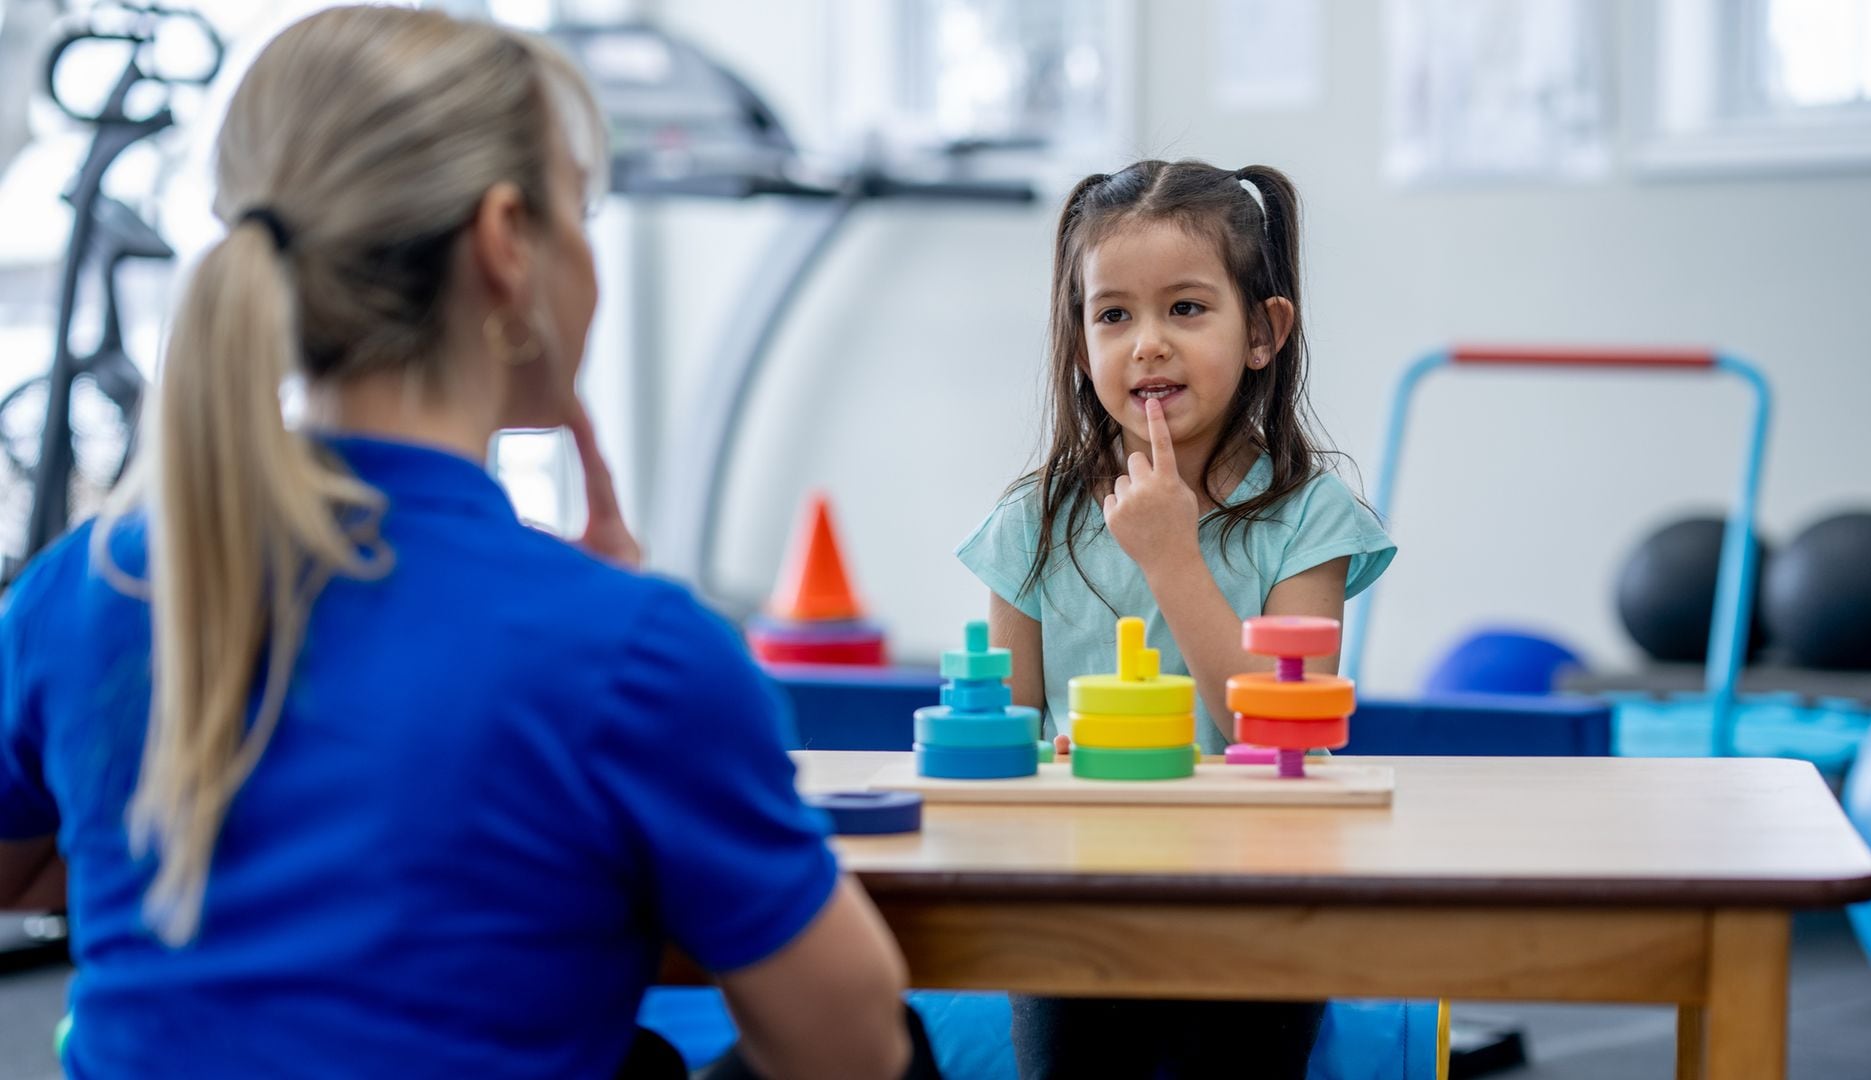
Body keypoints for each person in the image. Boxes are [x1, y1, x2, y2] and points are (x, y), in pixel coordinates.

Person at [0, 8, 926, 1078]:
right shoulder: (629, 654)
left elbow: (22, 871)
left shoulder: (85, 584)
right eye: (582, 209)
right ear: (505, 242)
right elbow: (849, 1047)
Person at [956, 159, 1397, 1078]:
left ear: (1264, 333)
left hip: (1258, 898)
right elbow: (1002, 741)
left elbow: (1279, 730)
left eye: (1186, 309)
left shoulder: (1310, 521)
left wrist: (1171, 555)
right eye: (1113, 315)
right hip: (1073, 898)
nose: (1147, 344)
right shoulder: (1027, 529)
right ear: (1080, 346)